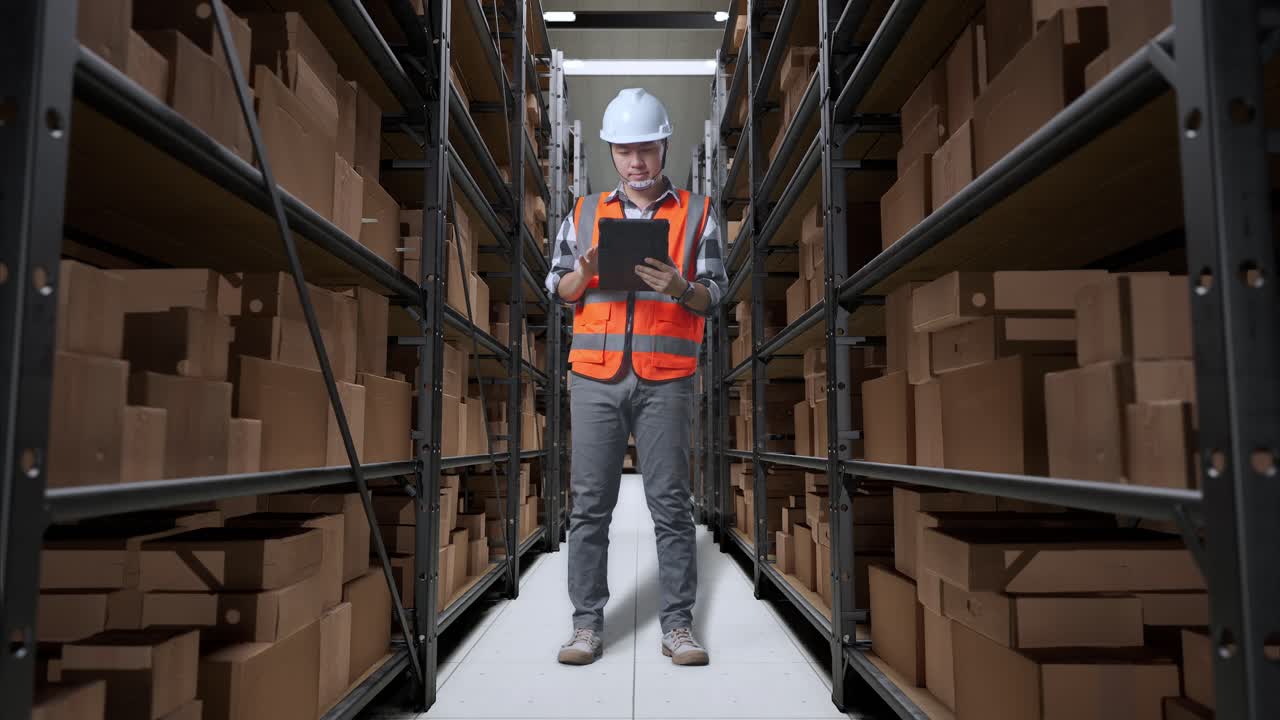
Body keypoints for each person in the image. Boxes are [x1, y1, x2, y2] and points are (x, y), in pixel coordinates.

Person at [545, 88, 727, 667]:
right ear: (612, 153)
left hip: (666, 378)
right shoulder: (584, 211)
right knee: (589, 504)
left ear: (665, 146)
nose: (636, 163)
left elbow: (714, 295)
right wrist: (585, 274)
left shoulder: (697, 213)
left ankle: (678, 627)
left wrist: (680, 288)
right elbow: (557, 288)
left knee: (671, 505)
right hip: (596, 376)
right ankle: (585, 627)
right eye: (624, 151)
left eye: (646, 149)